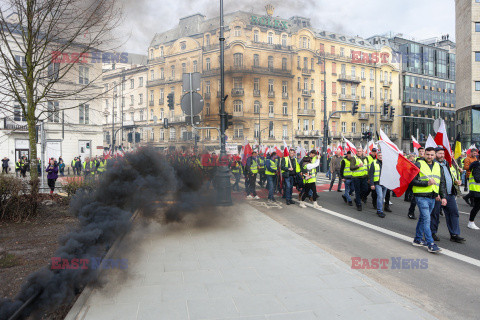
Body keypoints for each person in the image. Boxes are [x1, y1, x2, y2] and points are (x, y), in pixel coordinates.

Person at [411, 147, 445, 253]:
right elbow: (412, 181)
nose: (429, 156)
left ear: (434, 155)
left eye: (431, 155)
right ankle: (430, 243)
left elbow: (441, 183)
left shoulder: (438, 166)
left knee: (423, 219)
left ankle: (417, 239)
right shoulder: (419, 164)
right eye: (427, 154)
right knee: (427, 219)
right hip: (421, 196)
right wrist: (427, 183)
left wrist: (442, 196)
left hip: (432, 197)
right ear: (424, 154)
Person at [430, 147, 465, 243]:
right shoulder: (433, 165)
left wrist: (456, 182)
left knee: (453, 213)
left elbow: (449, 177)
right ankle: (432, 233)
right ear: (435, 154)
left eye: (443, 153)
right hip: (438, 194)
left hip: (449, 194)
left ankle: (454, 234)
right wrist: (436, 193)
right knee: (435, 214)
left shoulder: (447, 164)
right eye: (440, 153)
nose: (442, 155)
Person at [369, 150, 386, 218]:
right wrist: (372, 184)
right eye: (379, 155)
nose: (380, 157)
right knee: (380, 197)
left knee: (382, 198)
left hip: (385, 183)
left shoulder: (386, 163)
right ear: (377, 156)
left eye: (381, 155)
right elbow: (371, 174)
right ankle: (379, 211)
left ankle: (380, 209)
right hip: (377, 183)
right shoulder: (374, 163)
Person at [467, 154, 480, 230]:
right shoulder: (477, 166)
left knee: (477, 207)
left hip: (478, 190)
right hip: (477, 190)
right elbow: (477, 179)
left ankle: (471, 222)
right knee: (477, 207)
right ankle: (471, 222)